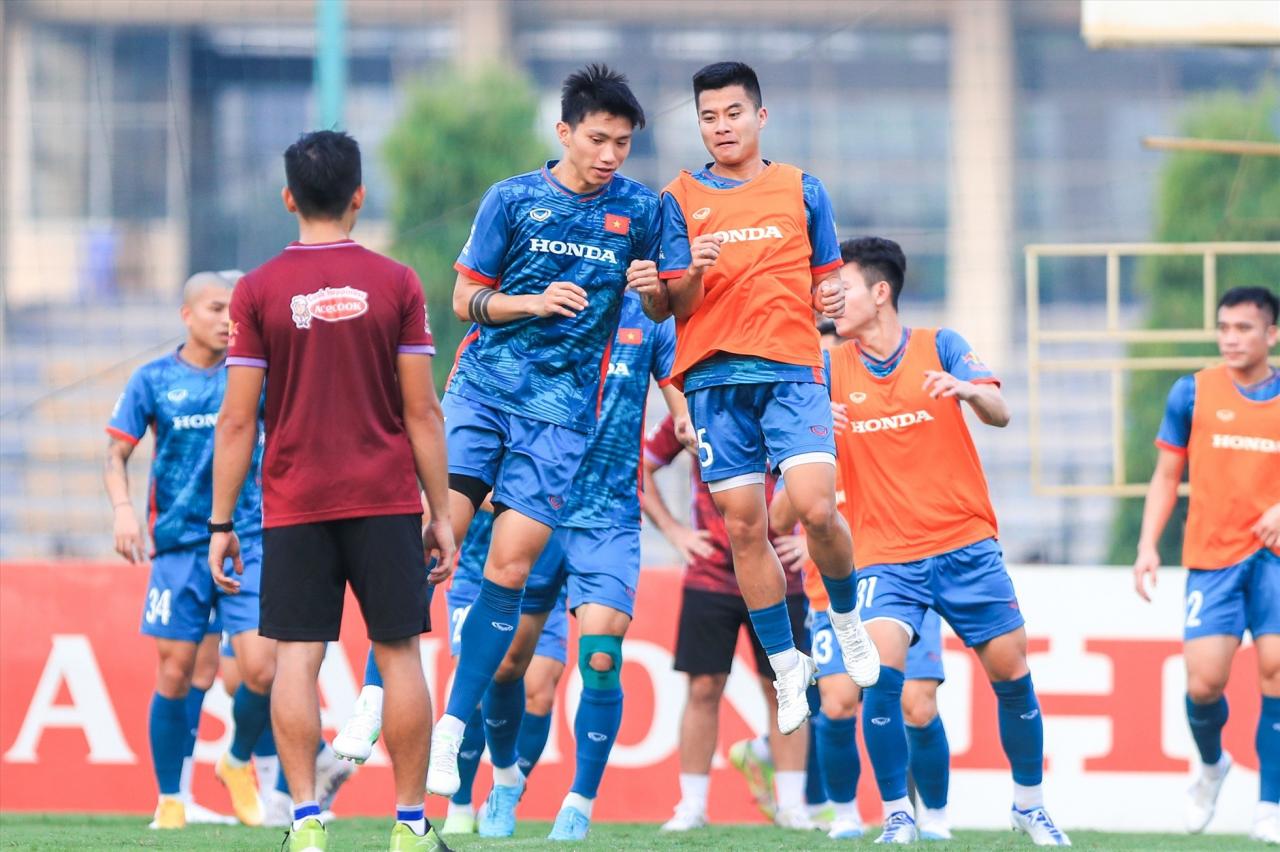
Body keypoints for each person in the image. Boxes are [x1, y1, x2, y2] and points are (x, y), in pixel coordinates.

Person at [210, 130, 454, 852]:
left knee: (296, 657)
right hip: (383, 499)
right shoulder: (398, 282)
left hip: (292, 503)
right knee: (400, 652)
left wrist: (222, 521)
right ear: (359, 196)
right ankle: (409, 827)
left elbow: (235, 420)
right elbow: (423, 411)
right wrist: (441, 512)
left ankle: (307, 824)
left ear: (289, 198)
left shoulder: (255, 290)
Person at [426, 64, 661, 811]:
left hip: (575, 456)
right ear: (564, 132)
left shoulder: (643, 213)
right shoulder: (513, 200)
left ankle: (508, 764)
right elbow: (464, 297)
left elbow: (675, 302)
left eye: (624, 142)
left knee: (550, 611)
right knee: (445, 542)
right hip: (489, 404)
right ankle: (403, 710)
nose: (611, 154)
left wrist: (667, 290)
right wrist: (528, 302)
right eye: (599, 138)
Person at [646, 61, 879, 738]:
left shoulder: (803, 190)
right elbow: (667, 304)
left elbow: (826, 291)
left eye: (733, 113)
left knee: (812, 508)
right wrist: (692, 270)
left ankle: (843, 620)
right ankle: (786, 664)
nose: (722, 127)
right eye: (709, 117)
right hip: (715, 382)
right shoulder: (678, 199)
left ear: (760, 117)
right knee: (746, 528)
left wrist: (828, 300)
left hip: (791, 371)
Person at [828, 237, 1068, 845]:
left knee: (1011, 674)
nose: (830, 296)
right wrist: (813, 432)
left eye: (843, 286)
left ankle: (1029, 805)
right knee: (877, 679)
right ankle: (897, 815)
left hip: (965, 544)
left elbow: (1001, 410)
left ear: (880, 293)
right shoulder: (828, 369)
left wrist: (968, 392)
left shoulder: (943, 346)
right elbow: (795, 470)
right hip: (885, 553)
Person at [104, 269, 274, 830]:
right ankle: (171, 799)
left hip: (248, 537)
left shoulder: (253, 375)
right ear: (186, 314)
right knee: (179, 672)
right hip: (178, 545)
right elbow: (115, 455)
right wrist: (124, 510)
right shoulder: (152, 380)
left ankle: (236, 761)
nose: (229, 320)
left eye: (236, 309)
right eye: (216, 308)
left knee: (261, 668)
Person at [1133, 285, 1279, 843]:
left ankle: (1271, 805)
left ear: (1272, 335)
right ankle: (1213, 766)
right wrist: (1149, 545)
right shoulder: (1192, 392)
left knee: (1276, 675)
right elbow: (1167, 476)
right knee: (1203, 686)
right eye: (1224, 327)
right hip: (1213, 558)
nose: (1231, 338)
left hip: (1274, 560)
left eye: (1244, 328)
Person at [644, 414, 814, 832]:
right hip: (711, 574)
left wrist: (814, 539)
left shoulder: (790, 404)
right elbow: (641, 466)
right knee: (703, 688)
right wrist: (675, 531)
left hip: (780, 576)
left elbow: (838, 471)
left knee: (784, 689)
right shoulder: (697, 405)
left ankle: (792, 806)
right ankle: (692, 805)